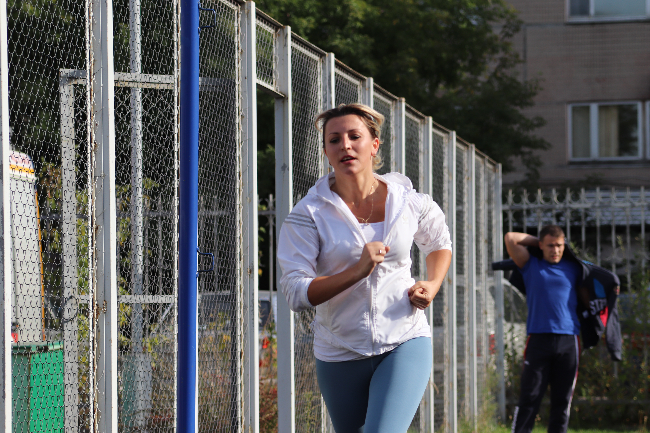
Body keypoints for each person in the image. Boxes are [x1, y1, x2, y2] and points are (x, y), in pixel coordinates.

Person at [277, 103, 452, 433]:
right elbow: (295, 292)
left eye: (354, 136)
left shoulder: (406, 201)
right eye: (334, 139)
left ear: (374, 145)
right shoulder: (309, 214)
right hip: (339, 351)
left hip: (404, 339)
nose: (345, 145)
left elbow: (439, 241)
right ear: (327, 152)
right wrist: (356, 271)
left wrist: (432, 284)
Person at [505, 226, 590, 433]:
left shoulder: (574, 269)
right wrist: (539, 241)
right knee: (529, 397)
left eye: (560, 245)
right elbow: (510, 238)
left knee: (562, 401)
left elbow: (589, 300)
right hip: (538, 339)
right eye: (550, 245)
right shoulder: (531, 265)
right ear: (541, 245)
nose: (555, 250)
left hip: (569, 340)